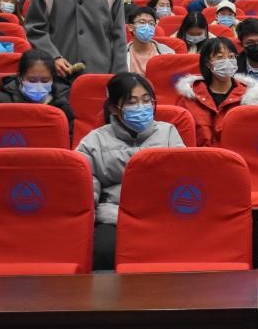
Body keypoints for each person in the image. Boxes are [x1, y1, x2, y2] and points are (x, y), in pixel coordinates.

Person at [77, 72, 184, 270]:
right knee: (103, 251)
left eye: (146, 100)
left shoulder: (168, 132)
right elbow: (85, 189)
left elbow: (182, 177)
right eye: (132, 102)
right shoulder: (93, 141)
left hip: (161, 213)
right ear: (113, 108)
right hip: (114, 216)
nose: (141, 107)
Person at [175, 38, 258, 146]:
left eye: (231, 57)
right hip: (199, 155)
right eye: (220, 57)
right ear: (208, 63)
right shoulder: (189, 98)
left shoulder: (251, 98)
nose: (227, 61)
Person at [0, 49, 74, 133]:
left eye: (45, 81)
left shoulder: (62, 104)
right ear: (20, 77)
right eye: (32, 80)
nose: (39, 86)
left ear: (52, 79)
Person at [125, 7, 174, 75]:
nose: (147, 27)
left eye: (151, 23)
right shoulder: (120, 54)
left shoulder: (167, 53)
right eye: (142, 22)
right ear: (130, 27)